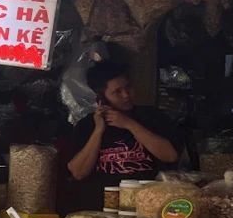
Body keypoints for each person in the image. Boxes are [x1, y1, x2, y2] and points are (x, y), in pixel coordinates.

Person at [68, 60, 180, 210]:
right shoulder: (86, 126)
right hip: (100, 209)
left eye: (128, 87)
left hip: (148, 206)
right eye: (117, 92)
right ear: (101, 97)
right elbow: (78, 173)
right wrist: (98, 130)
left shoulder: (152, 117)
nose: (126, 95)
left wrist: (130, 124)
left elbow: (170, 156)